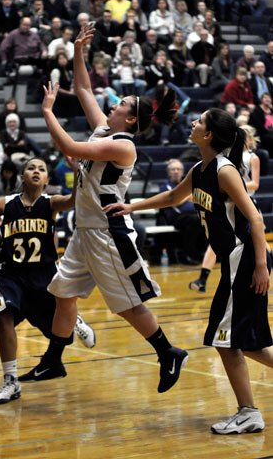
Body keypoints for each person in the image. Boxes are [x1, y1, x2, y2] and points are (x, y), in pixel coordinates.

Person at [19, 23, 188, 394]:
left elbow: (72, 149)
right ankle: (53, 362)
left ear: (129, 119)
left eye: (122, 105)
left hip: (107, 232)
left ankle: (168, 352)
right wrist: (78, 50)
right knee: (62, 293)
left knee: (126, 305)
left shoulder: (123, 146)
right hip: (85, 230)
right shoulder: (104, 130)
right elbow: (82, 88)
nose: (113, 104)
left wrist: (48, 112)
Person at [104, 107, 272, 434]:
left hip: (245, 260)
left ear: (208, 135)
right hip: (235, 261)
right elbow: (171, 196)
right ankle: (248, 411)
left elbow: (255, 218)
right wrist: (131, 205)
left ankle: (248, 412)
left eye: (199, 121)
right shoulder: (200, 169)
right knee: (246, 344)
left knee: (227, 341)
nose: (192, 123)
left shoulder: (225, 171)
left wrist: (262, 265)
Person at [0, 157, 95, 404]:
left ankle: (74, 319)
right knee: (2, 318)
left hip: (43, 277)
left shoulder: (51, 203)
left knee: (59, 334)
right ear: (22, 176)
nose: (36, 171)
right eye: (31, 168)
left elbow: (73, 200)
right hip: (11, 276)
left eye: (41, 169)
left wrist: (77, 172)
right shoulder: (5, 203)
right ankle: (11, 381)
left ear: (47, 179)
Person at [189, 123, 261, 293]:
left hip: (246, 202)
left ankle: (261, 267)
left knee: (258, 240)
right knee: (216, 240)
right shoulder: (223, 158)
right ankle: (203, 279)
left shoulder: (252, 157)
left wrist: (235, 186)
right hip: (227, 202)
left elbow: (255, 184)